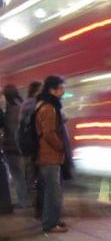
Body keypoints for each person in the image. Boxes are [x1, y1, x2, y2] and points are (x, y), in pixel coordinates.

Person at [36, 76, 71, 233]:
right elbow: (49, 133)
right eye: (61, 88)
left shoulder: (46, 105)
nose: (63, 91)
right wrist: (61, 146)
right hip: (49, 156)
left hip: (48, 156)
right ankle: (50, 224)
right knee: (52, 193)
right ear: (52, 89)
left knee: (52, 191)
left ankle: (53, 220)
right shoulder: (48, 108)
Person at [2, 85, 30, 208]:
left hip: (12, 147)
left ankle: (23, 201)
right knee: (22, 175)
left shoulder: (11, 110)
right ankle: (26, 200)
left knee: (18, 175)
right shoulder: (21, 107)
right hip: (20, 147)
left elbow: (11, 129)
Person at [20, 81, 43, 218]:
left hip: (28, 146)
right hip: (35, 146)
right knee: (36, 177)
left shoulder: (26, 104)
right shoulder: (33, 104)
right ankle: (38, 208)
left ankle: (37, 207)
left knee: (32, 176)